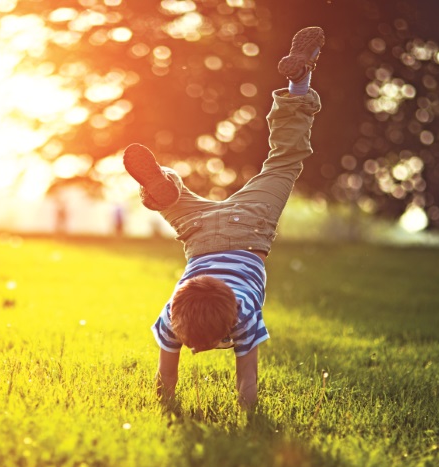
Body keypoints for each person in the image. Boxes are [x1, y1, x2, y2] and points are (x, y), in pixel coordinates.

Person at [122, 27, 324, 410]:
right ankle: (164, 190)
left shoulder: (226, 315)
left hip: (249, 228)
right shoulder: (172, 312)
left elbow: (170, 378)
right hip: (199, 234)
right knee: (176, 200)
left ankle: (299, 83)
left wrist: (169, 410)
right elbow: (243, 378)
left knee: (284, 162)